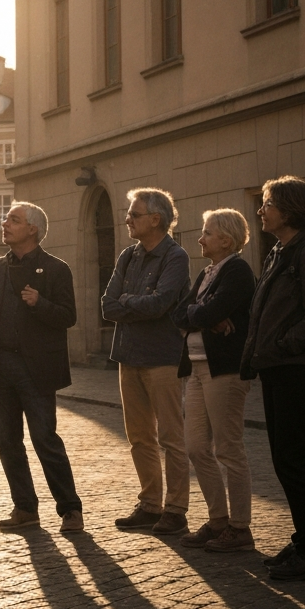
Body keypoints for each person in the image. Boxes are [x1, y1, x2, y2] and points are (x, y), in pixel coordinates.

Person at [0, 202, 83, 533]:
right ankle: (25, 508)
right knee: (7, 442)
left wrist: (39, 303)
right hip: (0, 366)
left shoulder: (56, 269)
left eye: (13, 220)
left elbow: (67, 316)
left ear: (33, 229)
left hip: (36, 368)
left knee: (45, 438)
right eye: (6, 219)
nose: (5, 223)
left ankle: (70, 509)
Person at [241, 176, 305, 581]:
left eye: (267, 204)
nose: (261, 210)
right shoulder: (280, 251)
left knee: (294, 459)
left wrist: (280, 346)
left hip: (298, 369)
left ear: (289, 209)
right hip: (279, 368)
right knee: (289, 458)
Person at [102, 187, 191, 536]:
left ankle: (176, 510)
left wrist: (130, 303)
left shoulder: (175, 257)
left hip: (162, 359)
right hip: (128, 355)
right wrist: (136, 302)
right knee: (139, 436)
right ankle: (151, 504)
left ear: (155, 220)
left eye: (133, 214)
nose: (127, 219)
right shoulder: (128, 256)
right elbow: (107, 305)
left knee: (171, 437)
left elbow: (161, 304)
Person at [173, 209, 257, 552]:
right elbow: (179, 313)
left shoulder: (237, 270)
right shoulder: (208, 272)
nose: (200, 238)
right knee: (195, 447)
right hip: (195, 369)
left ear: (226, 239)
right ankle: (217, 519)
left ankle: (240, 528)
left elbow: (200, 311)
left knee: (228, 448)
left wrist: (202, 317)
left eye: (206, 233)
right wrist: (206, 319)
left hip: (225, 371)